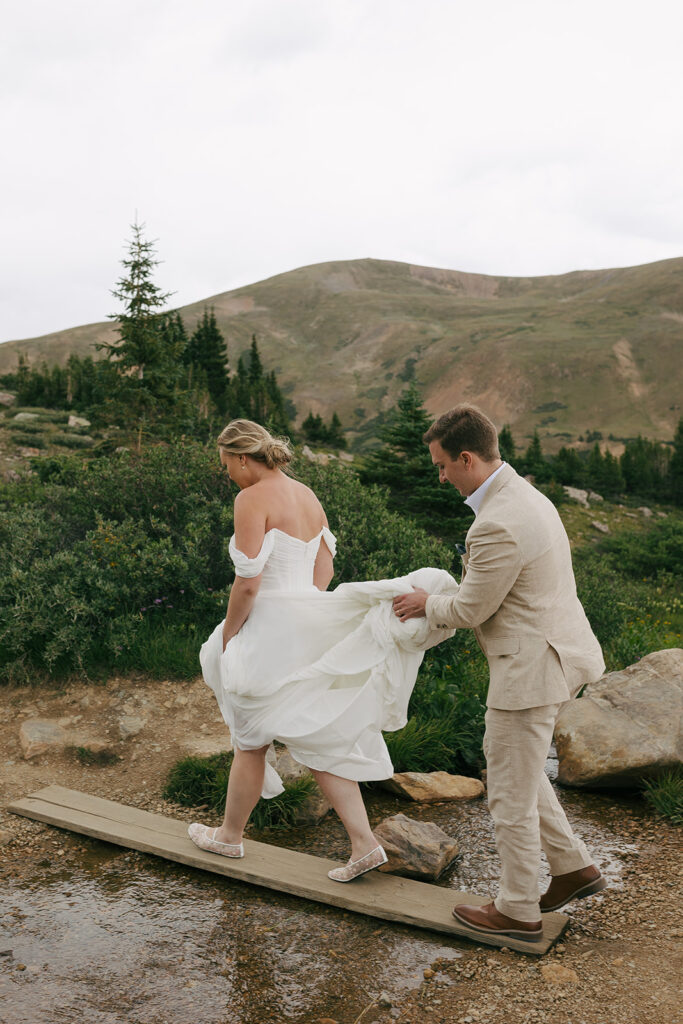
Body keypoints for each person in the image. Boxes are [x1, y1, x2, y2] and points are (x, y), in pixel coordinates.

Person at [189, 419, 456, 882]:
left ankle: (230, 838)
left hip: (268, 626)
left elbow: (248, 583)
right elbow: (326, 563)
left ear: (241, 458)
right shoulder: (307, 494)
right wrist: (307, 610)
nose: (227, 474)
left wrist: (231, 633)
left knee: (251, 738)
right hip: (304, 618)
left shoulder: (250, 499)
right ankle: (364, 842)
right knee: (315, 736)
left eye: (226, 465)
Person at [393, 405, 607, 943]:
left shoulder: (497, 523)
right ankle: (573, 866)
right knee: (522, 770)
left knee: (508, 791)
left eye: (442, 465)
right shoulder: (527, 496)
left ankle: (517, 911)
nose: (440, 477)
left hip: (530, 669)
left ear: (467, 458)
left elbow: (469, 610)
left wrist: (426, 602)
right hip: (560, 651)